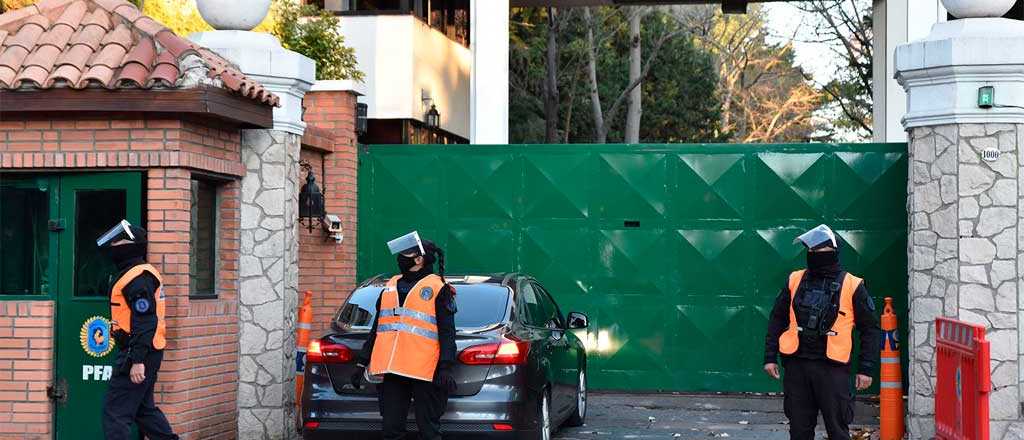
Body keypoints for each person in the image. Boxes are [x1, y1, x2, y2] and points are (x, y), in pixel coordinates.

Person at [763, 225, 881, 440]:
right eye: (811, 252)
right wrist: (769, 357)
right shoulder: (794, 280)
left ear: (833, 253)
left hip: (832, 369)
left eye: (820, 252)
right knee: (799, 430)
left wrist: (866, 368)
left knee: (837, 430)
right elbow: (777, 318)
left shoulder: (852, 285)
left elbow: (870, 330)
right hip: (797, 365)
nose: (814, 256)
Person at [352, 231, 457, 440]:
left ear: (419, 259)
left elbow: (447, 332)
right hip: (393, 371)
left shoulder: (438, 288)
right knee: (391, 429)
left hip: (425, 371)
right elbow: (377, 329)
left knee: (429, 431)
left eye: (406, 254)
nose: (400, 258)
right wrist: (361, 364)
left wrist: (445, 367)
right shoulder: (389, 287)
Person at [97, 220, 179, 440]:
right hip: (144, 350)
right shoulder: (133, 273)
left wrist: (137, 360)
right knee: (144, 411)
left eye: (119, 241)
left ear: (132, 246)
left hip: (139, 352)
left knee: (115, 413)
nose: (114, 245)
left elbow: (145, 321)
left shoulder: (138, 278)